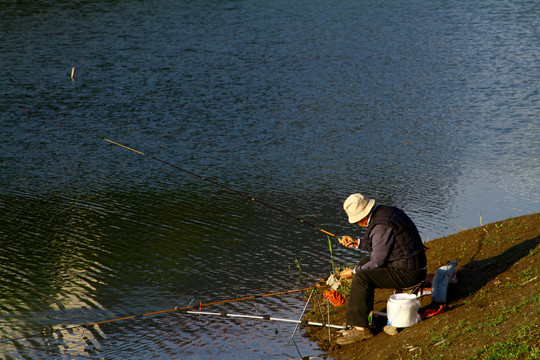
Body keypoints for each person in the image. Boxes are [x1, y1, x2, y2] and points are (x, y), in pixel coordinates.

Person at [335, 193, 427, 345]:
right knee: (364, 263)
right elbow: (380, 246)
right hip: (410, 263)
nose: (358, 224)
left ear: (363, 216)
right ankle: (365, 315)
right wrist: (356, 242)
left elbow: (377, 261)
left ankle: (360, 329)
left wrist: (353, 272)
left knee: (362, 276)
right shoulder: (386, 212)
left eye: (357, 221)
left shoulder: (380, 226)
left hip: (410, 272)